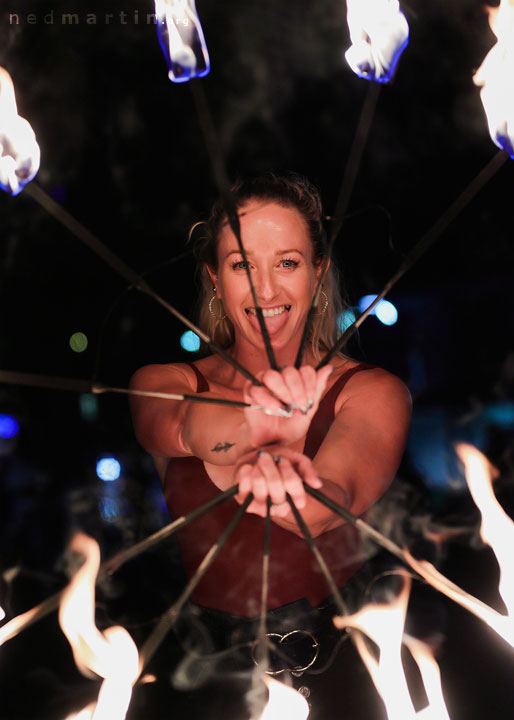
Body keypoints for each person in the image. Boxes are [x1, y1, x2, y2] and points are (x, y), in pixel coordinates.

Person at [129, 172, 411, 718]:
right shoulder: (164, 380)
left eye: (287, 262)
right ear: (215, 277)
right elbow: (183, 427)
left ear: (318, 270)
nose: (266, 290)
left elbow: (323, 508)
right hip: (205, 683)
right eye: (241, 266)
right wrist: (254, 428)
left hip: (344, 675)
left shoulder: (372, 391)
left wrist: (278, 468)